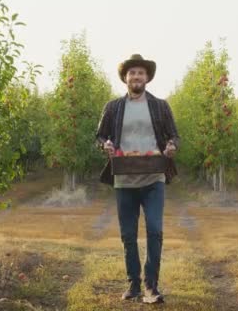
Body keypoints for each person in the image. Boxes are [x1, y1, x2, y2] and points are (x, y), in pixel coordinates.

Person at [95, 54, 180, 304]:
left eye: (141, 73)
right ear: (125, 78)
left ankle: (151, 286)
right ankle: (133, 283)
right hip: (124, 179)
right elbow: (100, 137)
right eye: (132, 73)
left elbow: (174, 136)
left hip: (154, 177)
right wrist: (106, 145)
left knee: (154, 230)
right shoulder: (113, 107)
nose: (136, 77)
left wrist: (171, 146)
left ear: (147, 78)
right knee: (128, 235)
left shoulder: (160, 106)